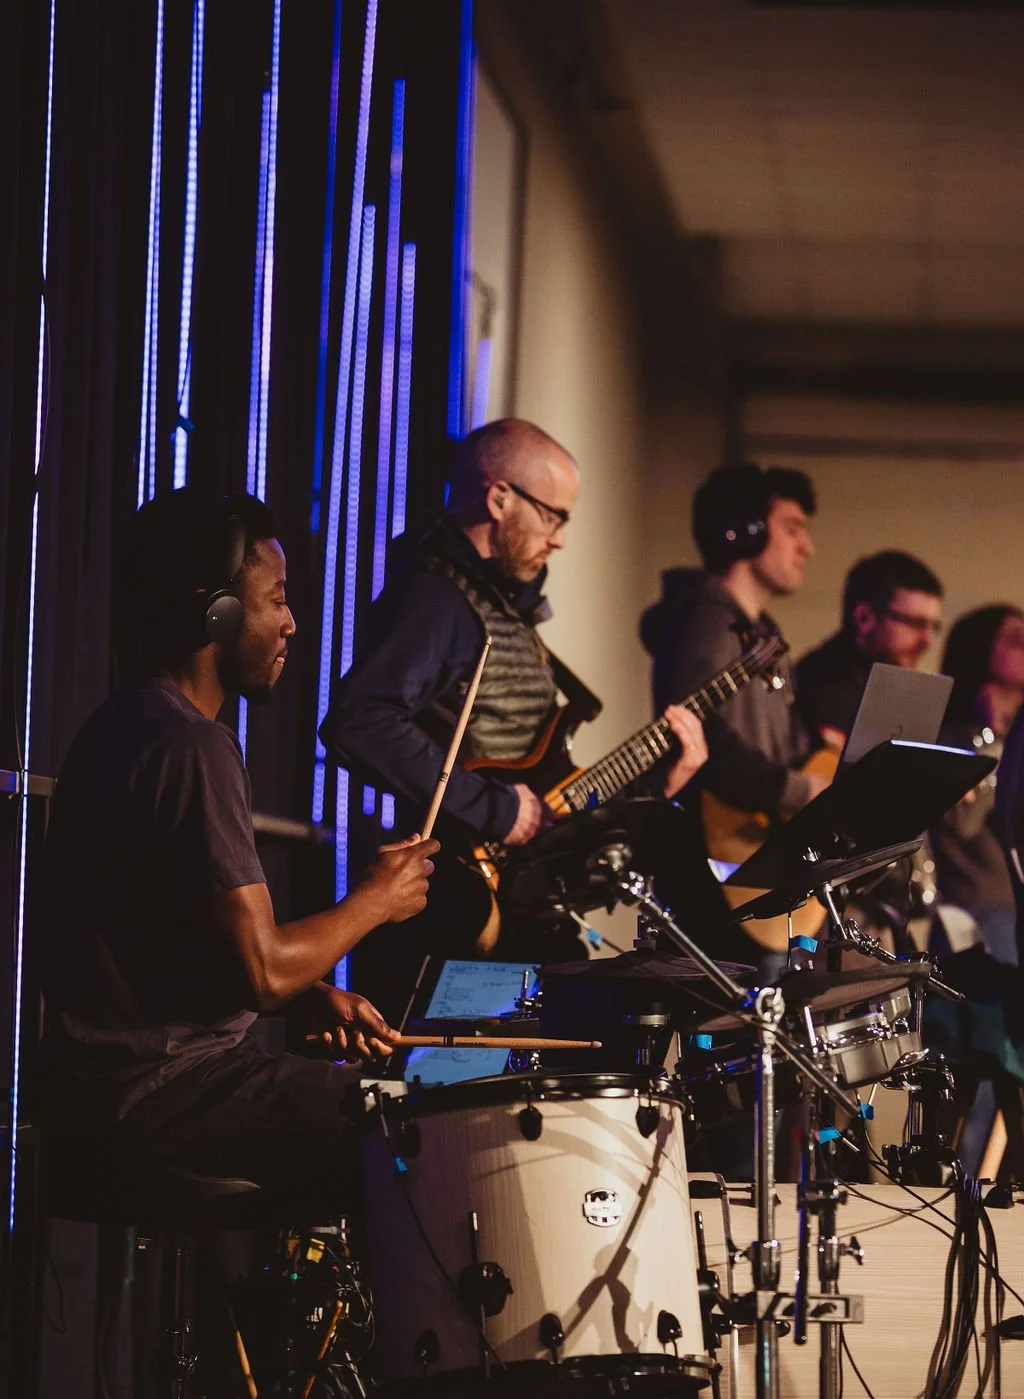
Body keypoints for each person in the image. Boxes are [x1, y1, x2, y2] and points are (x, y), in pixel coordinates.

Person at [39, 488, 438, 1200]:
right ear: (216, 611)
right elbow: (263, 973)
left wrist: (307, 997)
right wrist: (378, 899)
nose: (291, 623)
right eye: (276, 599)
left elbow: (162, 949)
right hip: (165, 1094)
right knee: (420, 1130)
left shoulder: (122, 723)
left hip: (97, 1095)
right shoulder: (194, 747)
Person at [319, 418, 707, 996]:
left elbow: (543, 792)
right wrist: (494, 809)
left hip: (518, 903)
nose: (560, 539)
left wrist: (660, 785)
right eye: (555, 516)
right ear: (500, 498)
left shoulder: (498, 605)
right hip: (458, 909)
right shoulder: (435, 599)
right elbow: (360, 718)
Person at [641, 461, 825, 834]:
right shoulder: (707, 622)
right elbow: (701, 731)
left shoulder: (759, 633)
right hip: (719, 849)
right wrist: (796, 790)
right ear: (746, 531)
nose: (807, 547)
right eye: (792, 529)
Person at [932, 605, 1024, 965]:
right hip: (978, 914)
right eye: (1015, 639)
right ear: (980, 649)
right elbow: (962, 824)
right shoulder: (949, 736)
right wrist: (989, 737)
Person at [796, 549, 944, 747]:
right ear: (865, 617)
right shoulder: (823, 683)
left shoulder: (887, 685)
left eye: (934, 627)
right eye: (915, 623)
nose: (927, 641)